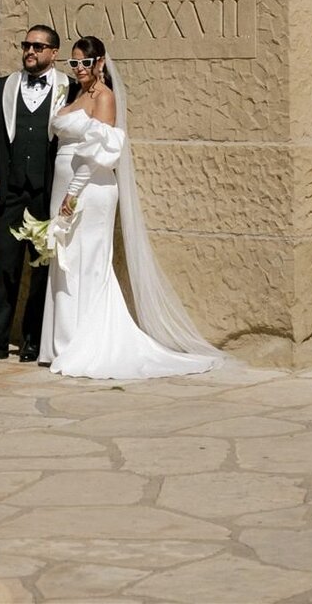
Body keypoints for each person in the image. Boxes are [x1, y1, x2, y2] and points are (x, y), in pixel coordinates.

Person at [40, 35, 222, 380]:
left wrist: (73, 193)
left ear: (100, 63)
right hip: (64, 186)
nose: (79, 69)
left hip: (89, 190)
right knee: (65, 257)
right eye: (74, 63)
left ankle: (82, 342)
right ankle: (61, 342)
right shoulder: (78, 94)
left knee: (86, 260)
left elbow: (99, 152)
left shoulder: (105, 98)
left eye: (85, 62)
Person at [0, 25, 69, 364]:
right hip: (10, 196)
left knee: (41, 270)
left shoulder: (70, 86)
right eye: (26, 45)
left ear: (53, 52)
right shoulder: (1, 87)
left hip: (44, 196)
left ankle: (33, 342)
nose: (30, 51)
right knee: (4, 268)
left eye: (38, 46)